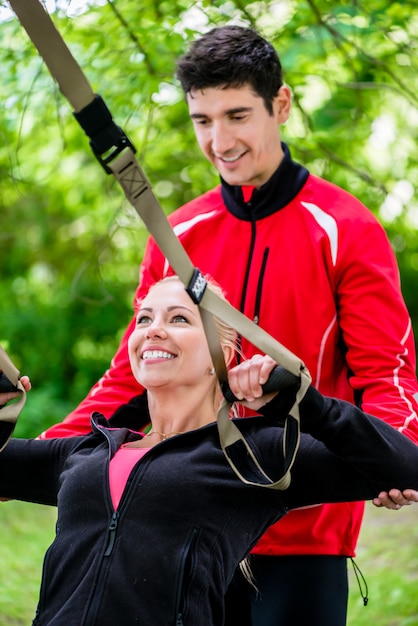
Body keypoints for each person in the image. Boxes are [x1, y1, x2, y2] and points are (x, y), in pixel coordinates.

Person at [38, 26, 418, 626]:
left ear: (282, 105)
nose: (220, 140)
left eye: (237, 115)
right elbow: (133, 376)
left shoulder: (344, 227)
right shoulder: (177, 235)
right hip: (189, 517)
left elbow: (385, 371)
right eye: (202, 120)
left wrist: (392, 450)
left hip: (304, 526)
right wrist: (38, 455)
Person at [2, 275, 418, 626]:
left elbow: (406, 467)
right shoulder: (86, 452)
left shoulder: (253, 452)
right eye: (144, 318)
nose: (152, 329)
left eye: (179, 318)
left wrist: (309, 405)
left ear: (222, 353)